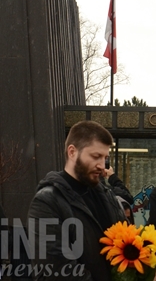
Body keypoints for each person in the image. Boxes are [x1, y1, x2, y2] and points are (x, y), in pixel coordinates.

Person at [27, 120, 127, 281]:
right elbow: (56, 271)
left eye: (105, 158)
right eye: (96, 157)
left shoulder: (107, 196)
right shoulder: (46, 202)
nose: (102, 165)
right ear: (72, 152)